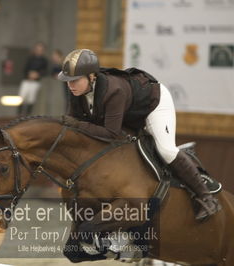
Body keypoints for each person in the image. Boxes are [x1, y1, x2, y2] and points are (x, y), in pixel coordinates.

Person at [58, 48, 221, 221]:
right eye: (68, 80)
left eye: (75, 80)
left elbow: (110, 133)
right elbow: (73, 124)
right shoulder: (76, 90)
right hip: (129, 112)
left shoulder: (114, 90)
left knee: (166, 150)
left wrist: (76, 125)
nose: (70, 85)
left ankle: (205, 197)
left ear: (91, 77)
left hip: (153, 105)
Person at [18, 42, 48, 116]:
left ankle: (27, 115)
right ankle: (19, 114)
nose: (39, 51)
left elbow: (45, 71)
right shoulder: (30, 58)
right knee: (22, 97)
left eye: (41, 49)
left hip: (36, 82)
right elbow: (24, 69)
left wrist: (38, 74)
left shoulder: (44, 60)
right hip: (26, 80)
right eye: (38, 49)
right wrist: (29, 74)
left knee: (31, 99)